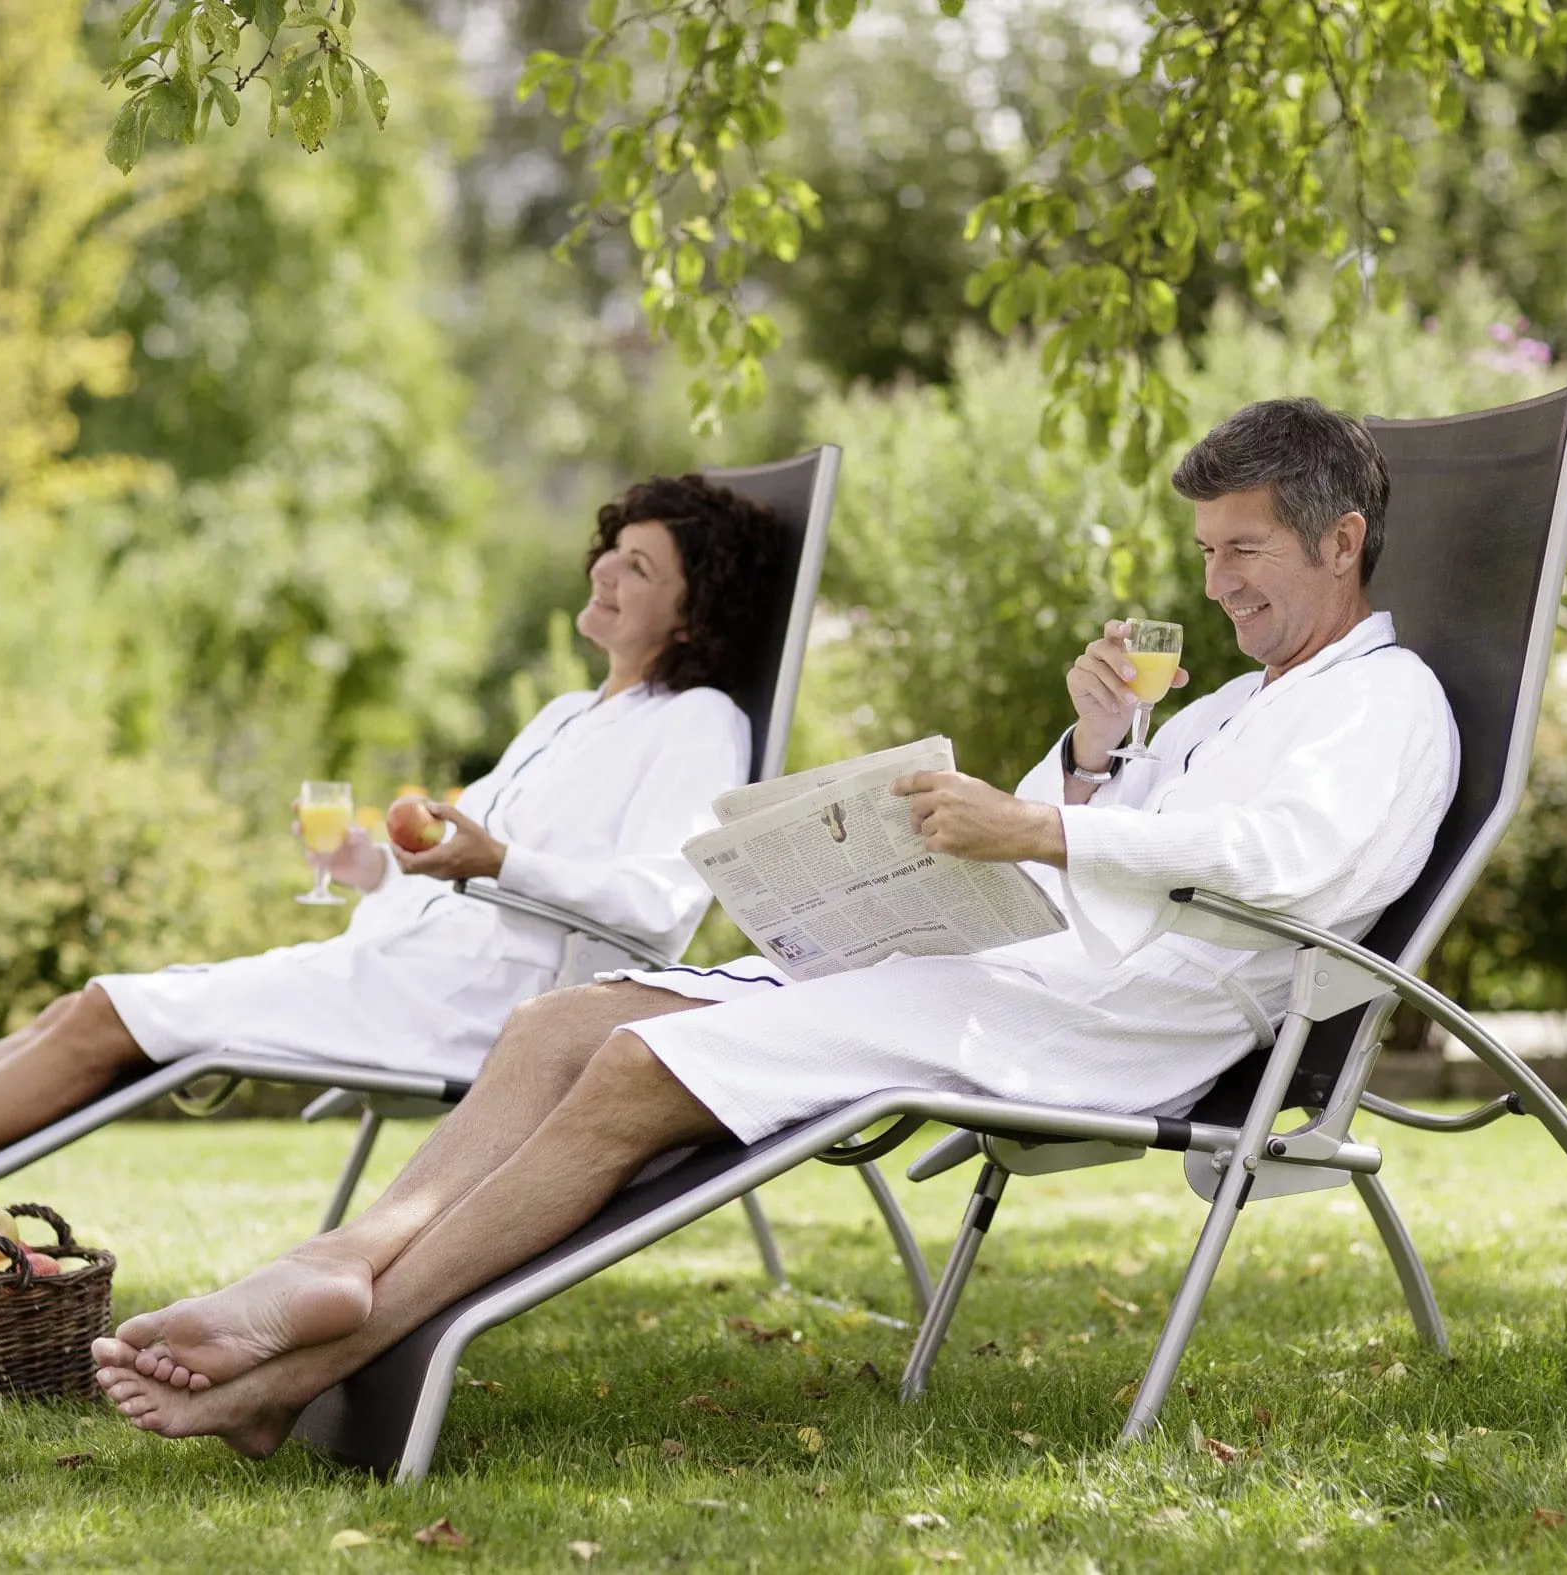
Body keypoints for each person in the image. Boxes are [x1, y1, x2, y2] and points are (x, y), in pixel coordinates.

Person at [86, 395, 1465, 1453]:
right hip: (1025, 963)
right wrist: (1098, 748)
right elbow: (1126, 824)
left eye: (1244, 550)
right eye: (1205, 551)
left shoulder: (1383, 702)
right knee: (567, 1015)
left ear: (1340, 541)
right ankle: (338, 1261)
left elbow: (1284, 866)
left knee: (636, 1064)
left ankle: (317, 1348)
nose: (1218, 583)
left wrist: (1042, 823)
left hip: (1117, 1026)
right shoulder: (1232, 700)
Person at [0, 474, 790, 1248]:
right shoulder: (561, 713)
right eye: (610, 552)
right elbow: (445, 858)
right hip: (396, 973)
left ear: (693, 613)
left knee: (96, 1017)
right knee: (72, 1015)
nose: (605, 572)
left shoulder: (698, 728)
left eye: (639, 567)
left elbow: (660, 911)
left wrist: (496, 859)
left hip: (477, 1014)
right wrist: (364, 861)